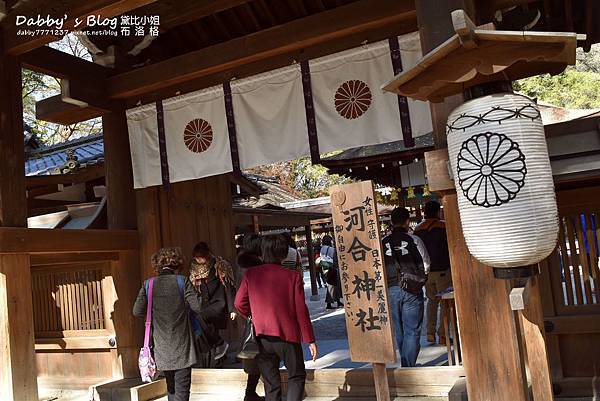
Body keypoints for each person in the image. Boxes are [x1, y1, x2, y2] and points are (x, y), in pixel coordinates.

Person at [235, 234, 318, 401]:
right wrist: (310, 340)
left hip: (262, 336)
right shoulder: (292, 276)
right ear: (283, 252)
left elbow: (239, 303)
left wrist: (253, 316)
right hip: (288, 336)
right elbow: (301, 310)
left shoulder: (251, 274)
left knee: (271, 383)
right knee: (296, 376)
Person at [133, 247, 203, 401]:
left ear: (157, 266)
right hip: (183, 346)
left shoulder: (148, 285)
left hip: (161, 347)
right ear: (177, 264)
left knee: (171, 388)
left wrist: (155, 314)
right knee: (182, 390)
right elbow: (197, 307)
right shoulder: (182, 281)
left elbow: (137, 311)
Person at [382, 207, 430, 367]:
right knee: (412, 329)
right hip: (411, 288)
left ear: (391, 222)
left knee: (399, 329)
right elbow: (426, 263)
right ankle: (408, 365)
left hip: (390, 288)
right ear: (407, 221)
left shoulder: (382, 243)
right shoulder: (414, 240)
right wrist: (422, 280)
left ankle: (406, 363)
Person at [189, 242, 236, 362]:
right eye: (196, 257)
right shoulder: (193, 269)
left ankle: (220, 343)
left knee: (200, 317)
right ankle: (216, 357)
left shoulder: (219, 265)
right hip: (203, 304)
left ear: (207, 255)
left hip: (218, 304)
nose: (198, 260)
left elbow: (229, 287)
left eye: (201, 257)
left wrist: (232, 309)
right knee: (202, 326)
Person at [414, 200, 452, 345]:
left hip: (426, 272)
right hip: (443, 270)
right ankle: (443, 334)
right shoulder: (443, 226)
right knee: (445, 303)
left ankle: (430, 333)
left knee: (431, 301)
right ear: (437, 211)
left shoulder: (418, 229)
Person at [236, 233, 265, 401]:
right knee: (261, 353)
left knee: (252, 351)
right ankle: (259, 392)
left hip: (246, 315)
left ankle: (250, 392)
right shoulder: (254, 267)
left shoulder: (240, 263)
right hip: (256, 314)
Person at [319, 235, 343, 309]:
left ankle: (337, 301)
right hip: (332, 268)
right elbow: (335, 260)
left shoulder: (322, 248)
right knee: (333, 286)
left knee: (333, 285)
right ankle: (329, 303)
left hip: (325, 268)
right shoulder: (332, 249)